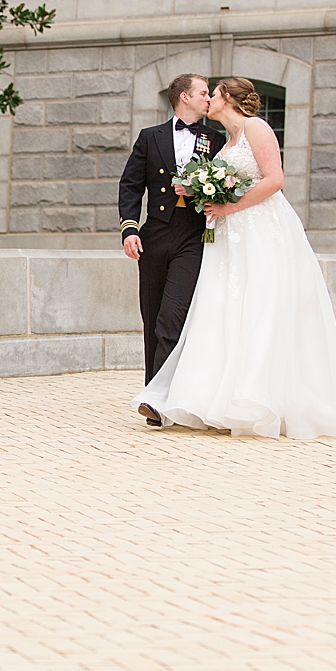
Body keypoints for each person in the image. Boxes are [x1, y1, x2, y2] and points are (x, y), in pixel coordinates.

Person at [132, 77, 336, 439]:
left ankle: (262, 399)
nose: (209, 99)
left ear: (228, 100)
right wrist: (196, 190)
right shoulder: (225, 142)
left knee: (262, 308)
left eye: (214, 93)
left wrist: (229, 205)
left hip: (260, 230)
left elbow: (275, 179)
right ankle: (215, 399)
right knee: (223, 311)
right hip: (228, 237)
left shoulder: (256, 128)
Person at [118, 74, 223, 423]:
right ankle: (154, 400)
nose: (208, 98)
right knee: (152, 318)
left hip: (193, 236)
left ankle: (164, 399)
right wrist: (129, 230)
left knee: (171, 316)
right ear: (183, 97)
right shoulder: (151, 137)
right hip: (155, 235)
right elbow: (131, 185)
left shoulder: (214, 138)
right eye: (203, 93)